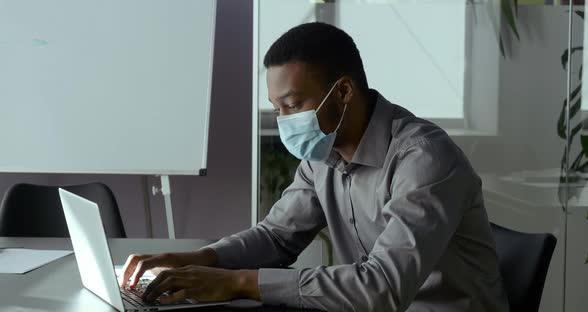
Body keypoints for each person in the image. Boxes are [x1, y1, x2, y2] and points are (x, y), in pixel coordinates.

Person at [119, 22, 509, 312]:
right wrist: (196, 260)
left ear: (342, 91)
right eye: (277, 109)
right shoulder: (322, 155)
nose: (285, 120)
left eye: (293, 105)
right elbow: (276, 238)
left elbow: (383, 287)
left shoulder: (424, 159)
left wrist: (237, 281)